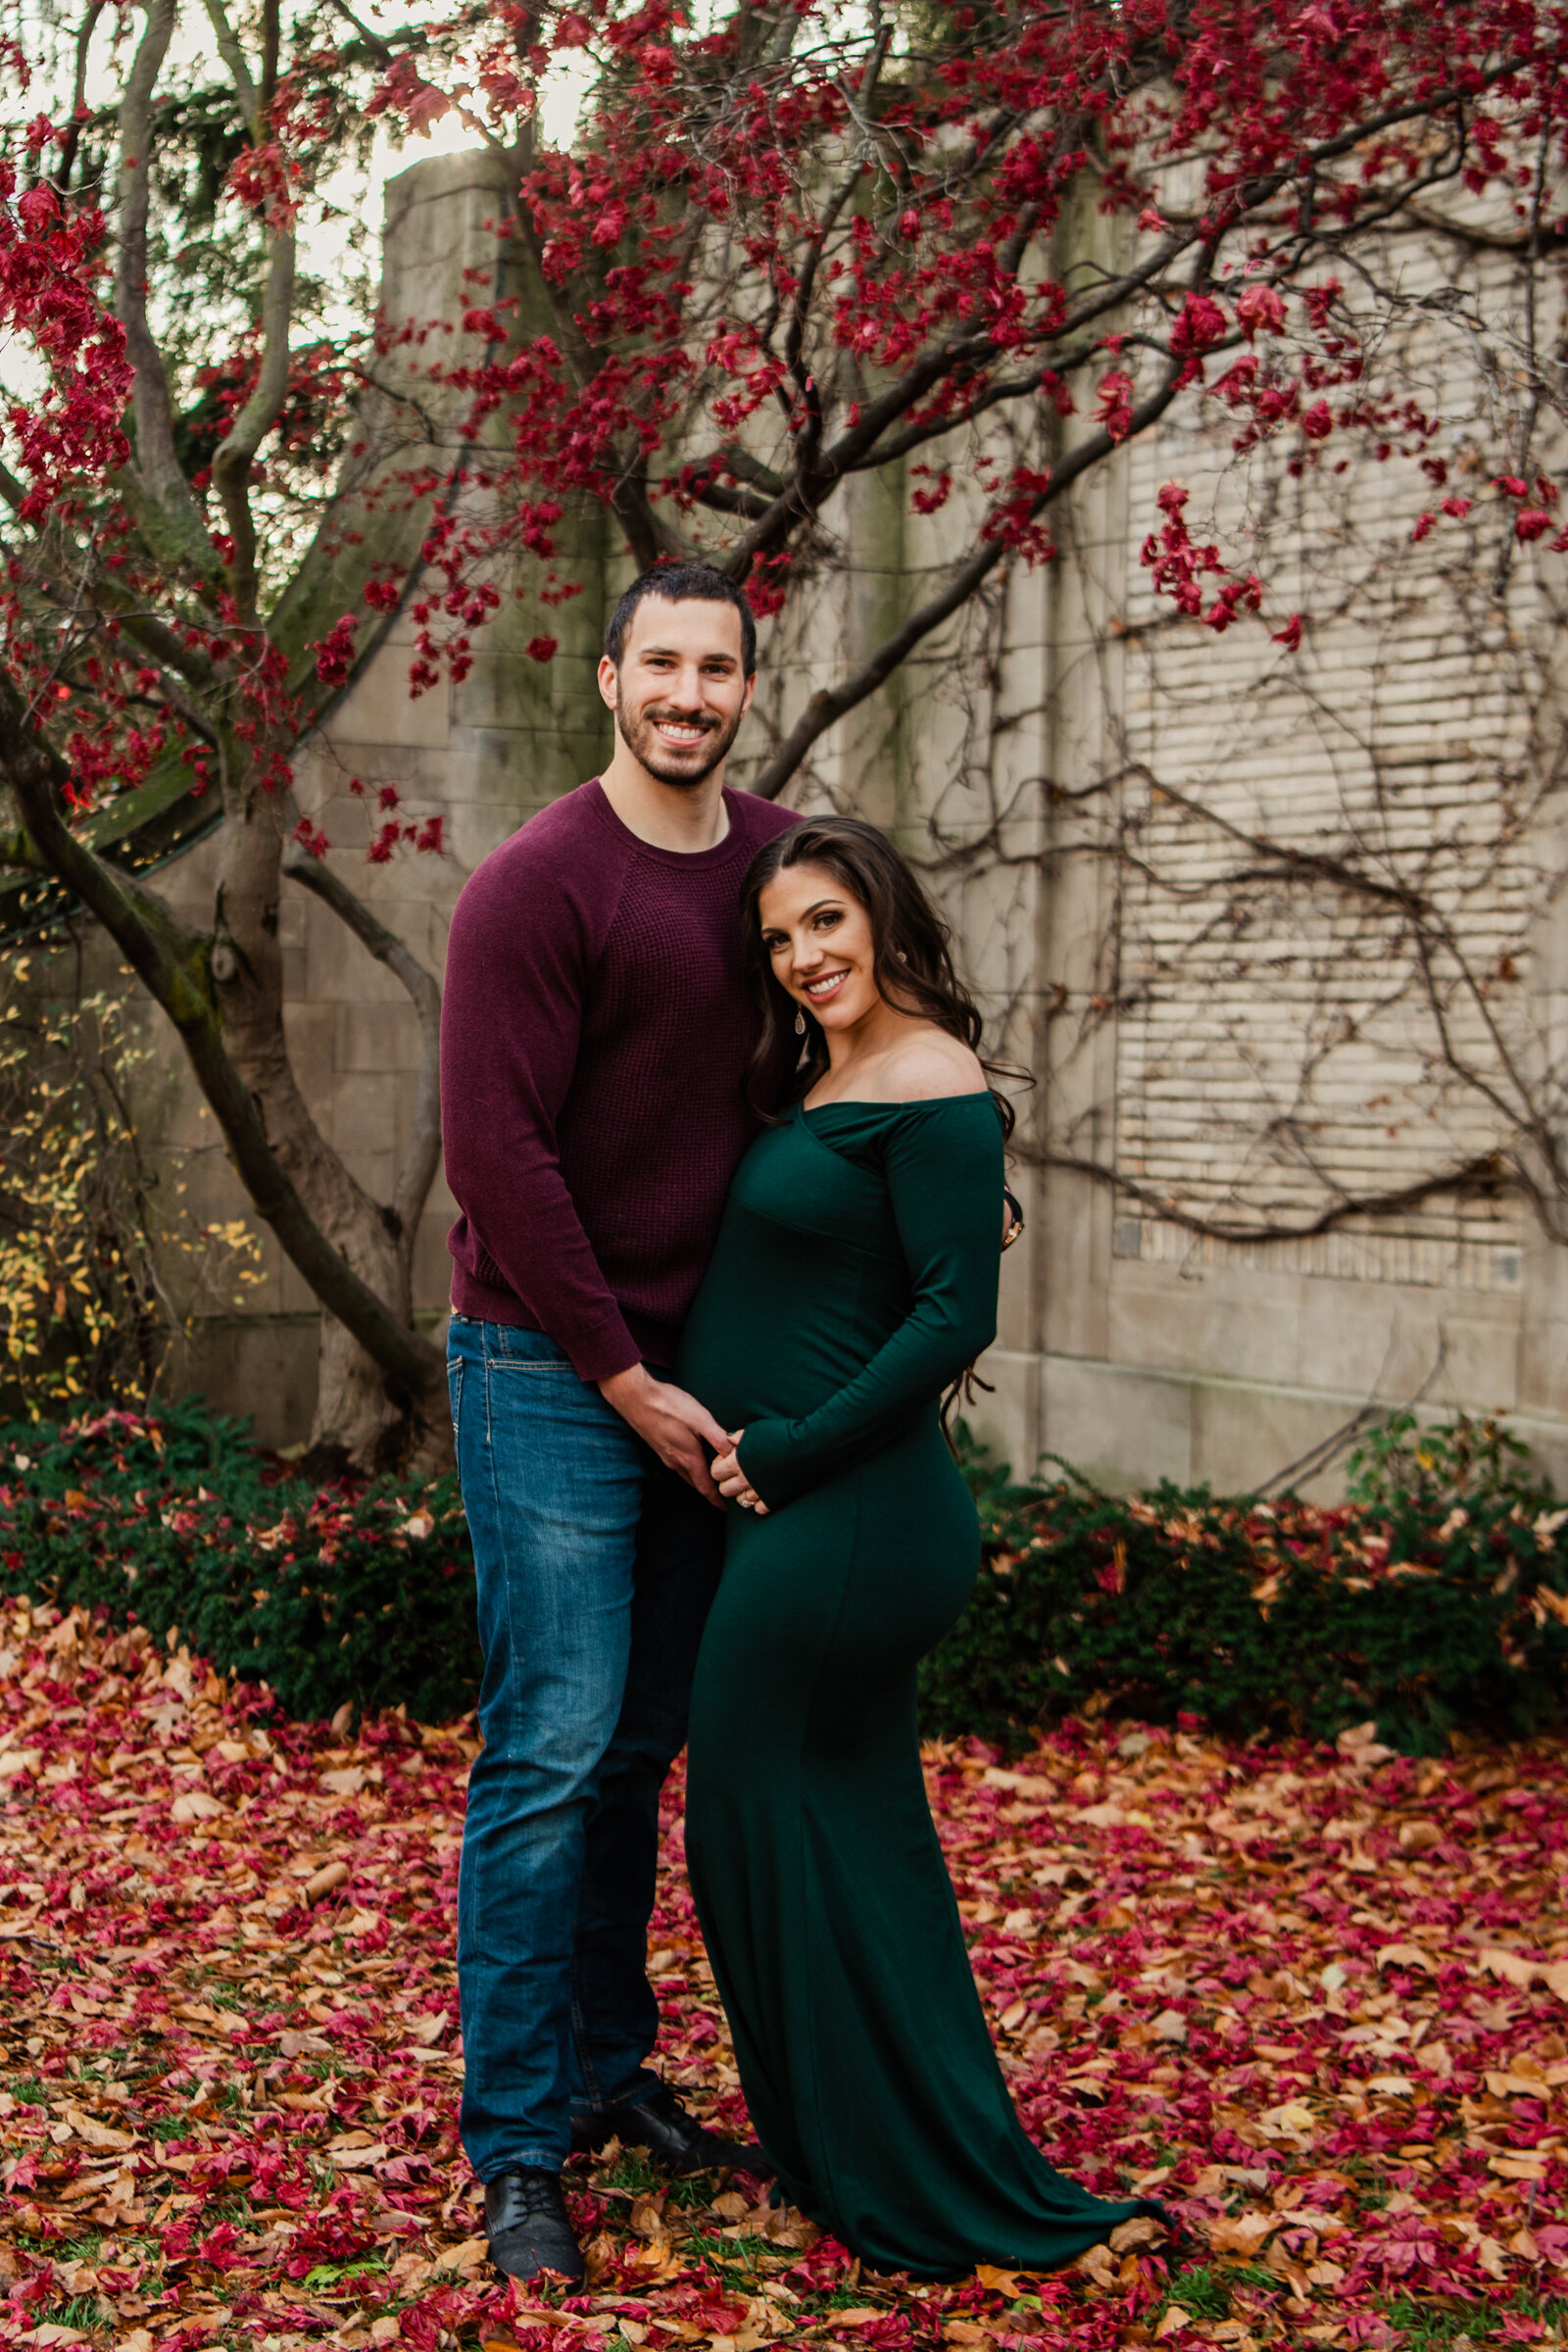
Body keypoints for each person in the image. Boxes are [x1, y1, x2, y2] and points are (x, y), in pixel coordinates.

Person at [677, 817, 1165, 2278]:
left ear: (883, 916)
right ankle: (876, 2139)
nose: (805, 957)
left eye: (826, 922)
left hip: (852, 1521)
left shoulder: (938, 1082)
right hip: (817, 1516)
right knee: (854, 1838)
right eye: (778, 938)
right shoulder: (826, 1075)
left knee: (751, 1818)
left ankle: (894, 2162)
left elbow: (955, 1319)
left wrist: (780, 1452)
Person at [439, 562, 800, 2285]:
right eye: (660, 663)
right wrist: (620, 1378)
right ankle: (516, 2147)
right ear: (606, 679)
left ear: (747, 683)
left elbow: (857, 1054)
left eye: (715, 667)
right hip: (547, 1369)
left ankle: (601, 2068)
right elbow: (498, 1160)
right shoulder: (533, 889)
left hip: (712, 1373)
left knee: (639, 1749)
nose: (688, 692)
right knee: (552, 1753)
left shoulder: (784, 870)